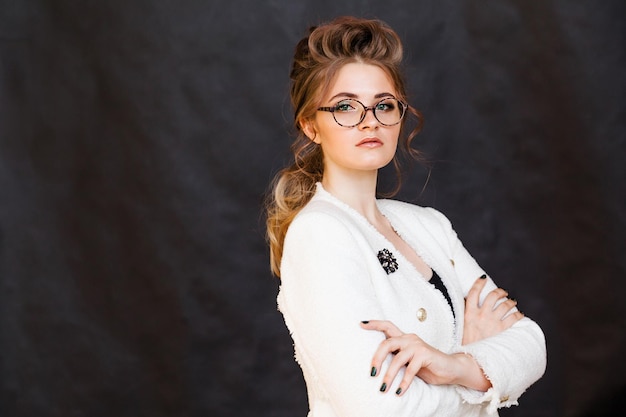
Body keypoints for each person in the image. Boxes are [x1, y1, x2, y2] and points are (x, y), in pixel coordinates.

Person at [265, 16, 546, 417]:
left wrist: (453, 364)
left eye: (384, 105)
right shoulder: (319, 233)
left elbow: (532, 344)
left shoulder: (429, 225)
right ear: (310, 124)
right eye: (345, 106)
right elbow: (381, 409)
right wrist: (481, 373)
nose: (369, 121)